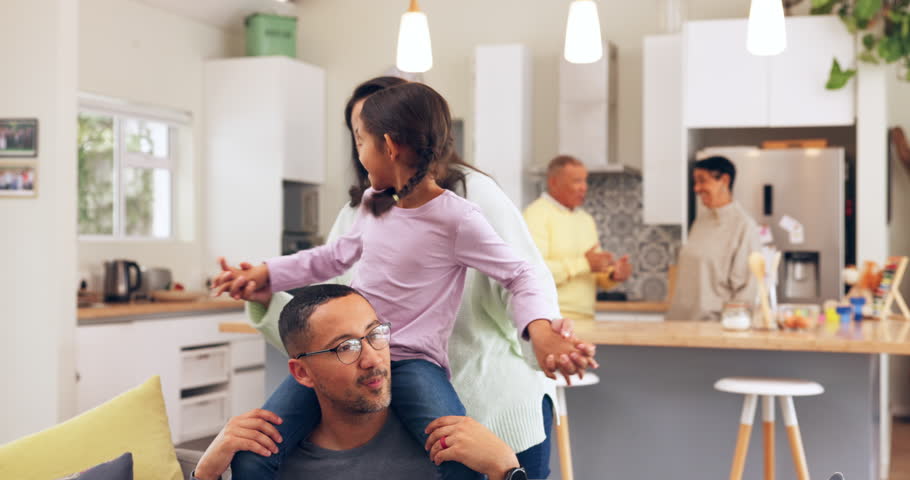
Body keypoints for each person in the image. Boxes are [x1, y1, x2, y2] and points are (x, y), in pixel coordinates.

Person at [216, 76, 595, 480]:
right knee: (252, 452)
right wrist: (268, 276)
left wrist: (541, 331)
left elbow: (521, 273)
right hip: (358, 365)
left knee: (462, 458)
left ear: (392, 144)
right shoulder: (371, 204)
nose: (357, 152)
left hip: (422, 366)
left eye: (362, 139)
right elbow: (331, 262)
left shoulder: (462, 211)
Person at [193, 285, 530, 480]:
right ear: (302, 373)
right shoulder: (277, 459)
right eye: (346, 347)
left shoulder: (449, 446)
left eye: (375, 335)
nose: (372, 357)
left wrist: (508, 470)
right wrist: (205, 473)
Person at [523, 155, 633, 322]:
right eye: (577, 181)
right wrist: (585, 263)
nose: (584, 187)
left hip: (586, 318)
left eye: (585, 181)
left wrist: (612, 275)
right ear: (553, 182)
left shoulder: (586, 220)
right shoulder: (535, 215)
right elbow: (533, 272)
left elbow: (592, 271)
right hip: (550, 318)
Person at [666, 156, 761, 321]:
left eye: (702, 181)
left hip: (712, 327)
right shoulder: (700, 221)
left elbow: (747, 290)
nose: (696, 188)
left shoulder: (744, 226)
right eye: (695, 182)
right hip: (679, 323)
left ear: (724, 180)